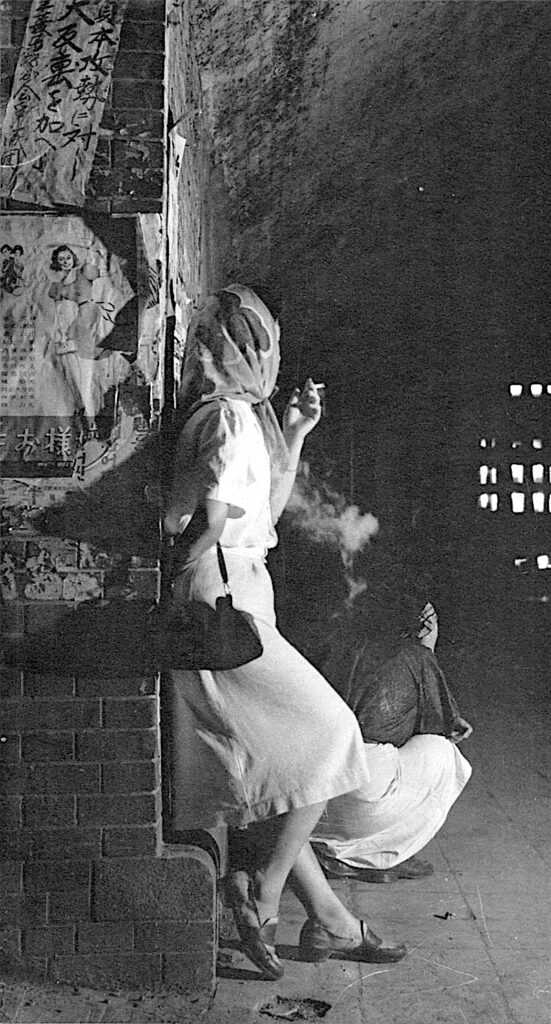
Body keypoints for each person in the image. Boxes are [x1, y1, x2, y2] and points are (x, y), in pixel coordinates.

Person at [163, 284, 407, 980]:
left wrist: (294, 436)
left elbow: (255, 514)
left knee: (279, 763)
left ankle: (328, 919)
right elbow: (213, 520)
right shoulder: (232, 420)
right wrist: (184, 582)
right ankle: (264, 895)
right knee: (329, 736)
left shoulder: (223, 414)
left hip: (228, 585)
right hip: (224, 594)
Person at [311, 598, 473, 882]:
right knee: (445, 754)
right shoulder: (412, 655)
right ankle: (374, 856)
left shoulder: (327, 641)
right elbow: (441, 729)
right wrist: (428, 648)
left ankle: (328, 849)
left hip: (309, 801)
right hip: (357, 801)